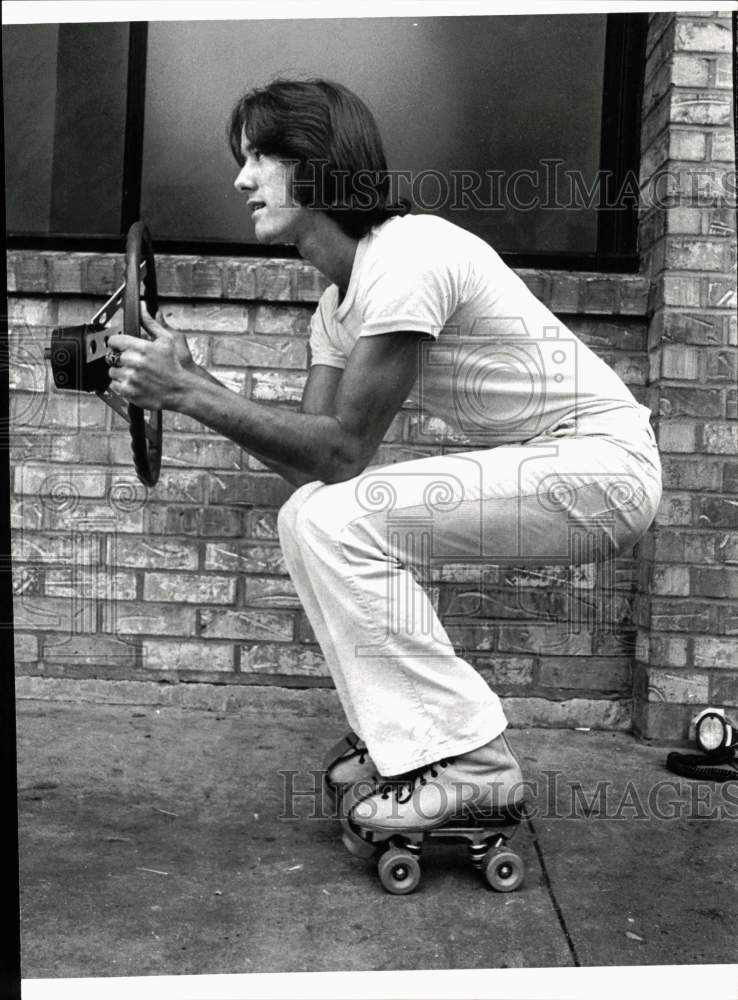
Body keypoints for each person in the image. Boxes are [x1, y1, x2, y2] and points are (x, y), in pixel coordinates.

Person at [106, 78, 662, 835]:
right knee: (310, 515)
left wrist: (189, 394)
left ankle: (473, 764)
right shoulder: (338, 306)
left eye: (263, 156)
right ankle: (403, 742)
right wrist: (191, 379)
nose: (242, 179)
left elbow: (342, 451)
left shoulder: (409, 254)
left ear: (320, 164)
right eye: (245, 159)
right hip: (556, 465)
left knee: (336, 517)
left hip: (603, 468)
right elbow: (312, 468)